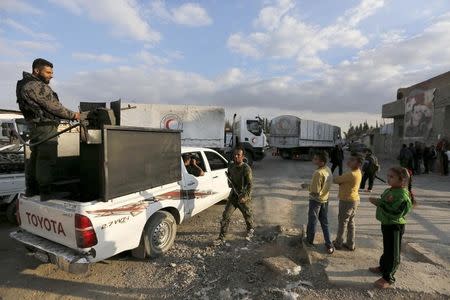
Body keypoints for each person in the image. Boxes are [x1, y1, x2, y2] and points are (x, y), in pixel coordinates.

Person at [16, 58, 80, 197]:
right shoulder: (36, 85)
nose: (51, 75)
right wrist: (74, 115)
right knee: (46, 158)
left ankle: (32, 190)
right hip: (45, 126)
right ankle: (46, 192)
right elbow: (54, 107)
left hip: (36, 126)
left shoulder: (25, 84)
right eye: (48, 72)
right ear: (37, 71)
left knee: (36, 158)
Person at [368, 167, 414, 288]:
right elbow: (387, 203)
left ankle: (388, 278)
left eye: (391, 177)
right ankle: (383, 267)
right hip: (386, 224)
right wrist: (379, 201)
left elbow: (395, 213)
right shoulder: (391, 190)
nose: (388, 179)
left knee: (393, 253)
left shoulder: (403, 196)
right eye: (388, 176)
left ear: (402, 180)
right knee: (387, 248)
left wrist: (379, 203)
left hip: (395, 226)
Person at [216, 146, 254, 244]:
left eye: (238, 155)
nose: (236, 157)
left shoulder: (246, 168)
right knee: (226, 215)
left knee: (247, 215)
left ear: (243, 156)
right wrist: (230, 184)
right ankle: (222, 236)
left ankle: (250, 230)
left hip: (243, 195)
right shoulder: (231, 166)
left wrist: (245, 197)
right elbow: (229, 177)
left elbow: (250, 185)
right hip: (233, 195)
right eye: (235, 155)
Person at [304, 151, 334, 254]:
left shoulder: (318, 173)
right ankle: (329, 244)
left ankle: (309, 241)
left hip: (315, 201)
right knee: (325, 222)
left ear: (322, 162)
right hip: (325, 199)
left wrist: (306, 187)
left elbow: (315, 191)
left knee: (312, 221)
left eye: (316, 159)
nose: (314, 160)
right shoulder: (327, 169)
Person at [332, 152, 363, 251]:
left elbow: (336, 180)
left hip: (347, 200)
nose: (349, 161)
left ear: (358, 164)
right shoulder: (358, 172)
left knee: (343, 222)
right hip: (354, 200)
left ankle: (338, 243)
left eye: (352, 160)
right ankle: (350, 244)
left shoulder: (351, 174)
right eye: (349, 159)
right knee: (350, 222)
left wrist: (340, 180)